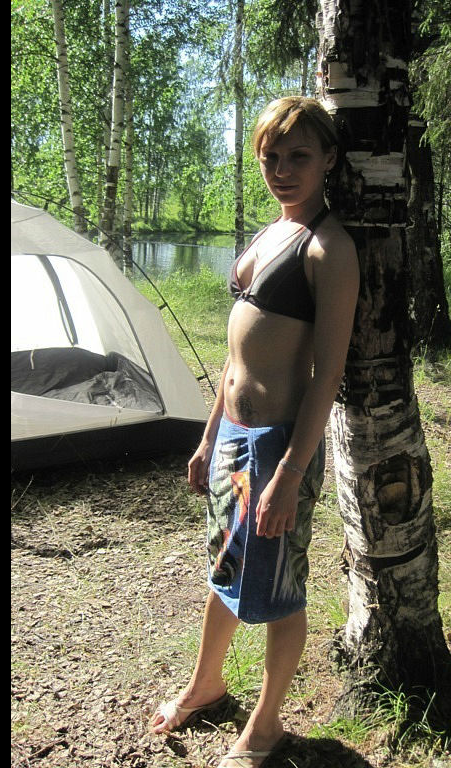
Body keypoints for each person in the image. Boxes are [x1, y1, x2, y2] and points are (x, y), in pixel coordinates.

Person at [149, 96, 359, 768]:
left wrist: (290, 475)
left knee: (278, 589)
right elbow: (234, 357)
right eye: (272, 157)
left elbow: (328, 375)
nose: (283, 170)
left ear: (328, 159)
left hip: (276, 448)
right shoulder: (269, 234)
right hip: (233, 439)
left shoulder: (328, 249)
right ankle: (206, 685)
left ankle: (265, 728)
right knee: (224, 569)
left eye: (299, 156)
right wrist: (208, 436)